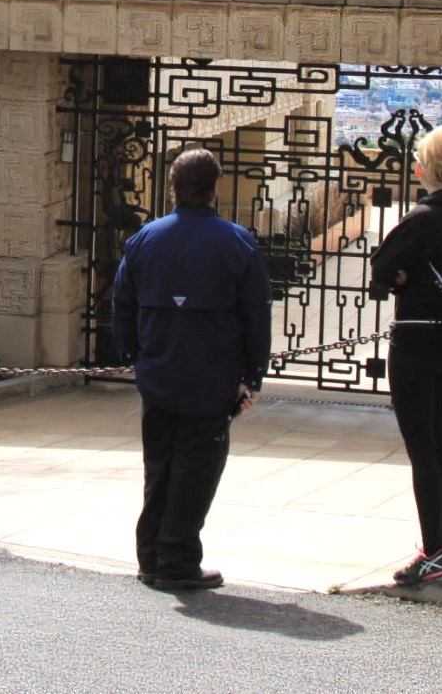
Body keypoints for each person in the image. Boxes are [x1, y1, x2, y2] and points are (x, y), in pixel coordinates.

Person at [111, 147, 270, 591]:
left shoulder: (145, 240)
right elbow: (256, 314)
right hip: (211, 379)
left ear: (174, 187)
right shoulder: (237, 243)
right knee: (196, 471)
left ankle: (151, 556)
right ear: (214, 189)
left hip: (159, 376)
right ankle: (177, 560)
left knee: (158, 467)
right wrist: (252, 375)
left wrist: (132, 357)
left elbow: (122, 303)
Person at [369, 124, 442, 587]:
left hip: (416, 340)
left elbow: (381, 269)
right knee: (441, 443)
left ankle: (435, 549)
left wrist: (402, 280)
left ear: (423, 167)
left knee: (423, 449)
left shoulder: (422, 217)